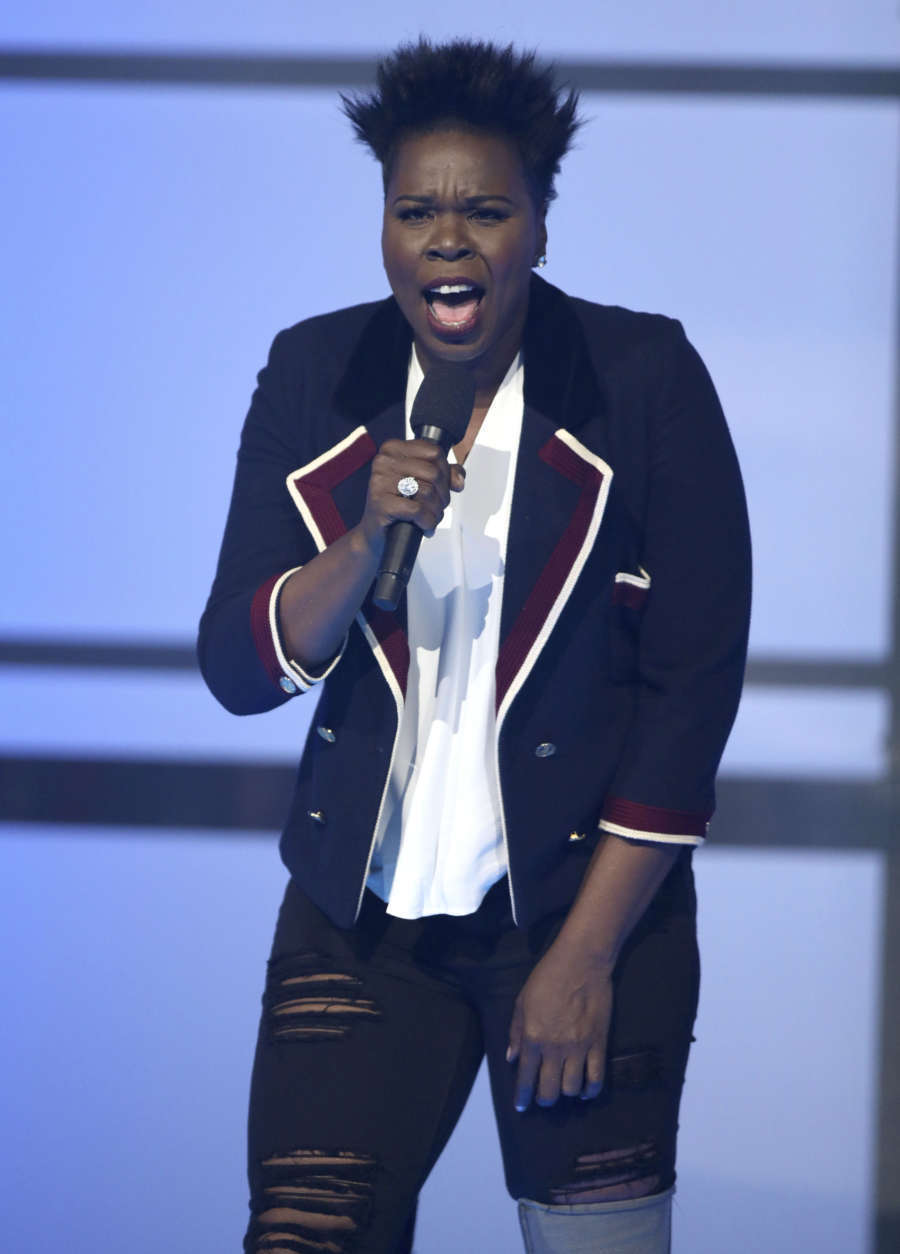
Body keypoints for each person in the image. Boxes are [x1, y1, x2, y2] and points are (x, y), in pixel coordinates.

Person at [198, 37, 751, 1254]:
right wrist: (359, 540)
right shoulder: (317, 372)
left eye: (485, 209)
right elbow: (238, 664)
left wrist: (585, 953)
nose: (448, 238)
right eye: (416, 210)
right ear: (386, 229)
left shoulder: (638, 377)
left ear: (539, 229)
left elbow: (692, 687)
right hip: (360, 915)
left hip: (580, 916)